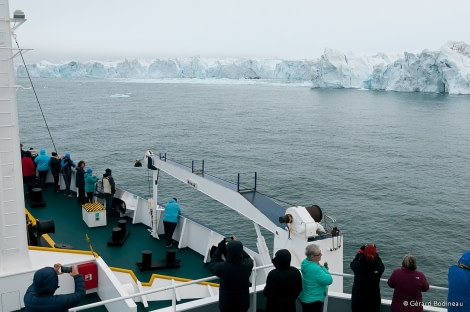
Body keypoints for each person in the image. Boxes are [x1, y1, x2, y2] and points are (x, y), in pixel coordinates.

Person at [209, 237, 254, 312]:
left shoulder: (223, 268)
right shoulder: (248, 264)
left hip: (227, 305)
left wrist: (220, 248)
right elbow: (247, 257)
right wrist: (237, 247)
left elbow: (212, 263)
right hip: (243, 303)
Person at [350, 244, 385, 312]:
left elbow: (352, 263)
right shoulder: (378, 268)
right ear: (375, 255)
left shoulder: (358, 266)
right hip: (373, 299)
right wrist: (376, 255)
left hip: (358, 299)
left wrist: (360, 253)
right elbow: (382, 266)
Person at [298, 244, 333, 312]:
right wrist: (323, 268)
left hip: (304, 297)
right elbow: (329, 280)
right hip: (313, 300)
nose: (321, 254)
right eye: (319, 254)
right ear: (312, 257)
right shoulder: (315, 269)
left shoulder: (305, 262)